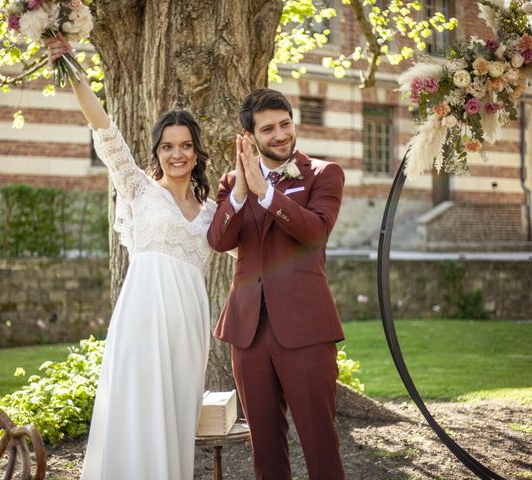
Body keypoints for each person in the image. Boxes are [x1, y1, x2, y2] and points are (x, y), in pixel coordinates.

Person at [46, 36, 217, 479]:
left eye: (184, 145)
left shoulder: (213, 211)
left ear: (196, 151)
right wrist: (70, 65)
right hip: (143, 317)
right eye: (167, 146)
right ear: (157, 151)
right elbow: (105, 129)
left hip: (190, 327)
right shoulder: (139, 188)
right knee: (138, 410)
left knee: (176, 419)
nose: (176, 154)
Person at [207, 88, 346, 479]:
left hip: (306, 329)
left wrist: (265, 192)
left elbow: (316, 232)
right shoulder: (231, 181)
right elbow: (219, 241)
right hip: (247, 332)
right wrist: (239, 192)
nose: (281, 134)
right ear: (251, 137)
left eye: (285, 123)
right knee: (265, 450)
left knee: (320, 445)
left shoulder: (323, 173)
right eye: (268, 129)